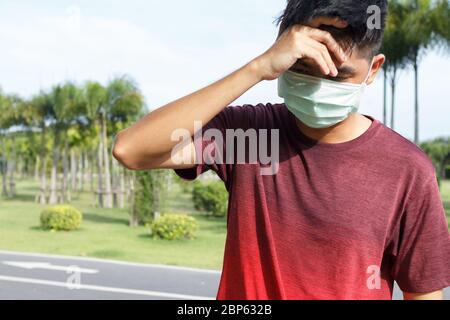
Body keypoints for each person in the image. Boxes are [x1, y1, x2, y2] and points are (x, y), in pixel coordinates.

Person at [112, 0, 450, 300]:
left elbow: (422, 293)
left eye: (337, 76)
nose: (319, 86)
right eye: (303, 69)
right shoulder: (251, 136)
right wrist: (257, 68)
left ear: (373, 69)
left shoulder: (406, 170)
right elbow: (131, 149)